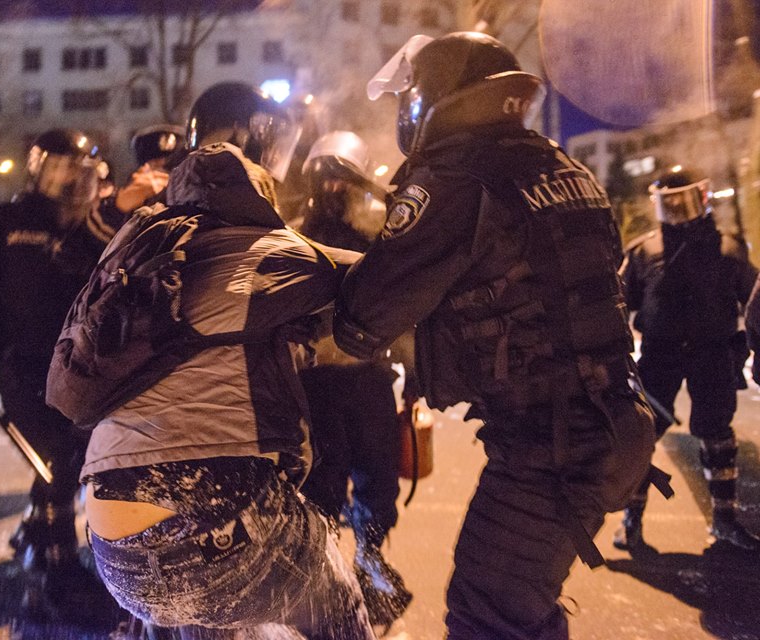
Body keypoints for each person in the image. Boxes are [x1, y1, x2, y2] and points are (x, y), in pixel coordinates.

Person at [333, 33, 657, 639]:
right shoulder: (559, 164)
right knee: (517, 610)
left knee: (488, 614)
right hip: (608, 421)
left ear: (432, 99)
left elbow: (363, 320)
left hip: (550, 447)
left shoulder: (456, 177)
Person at [79, 81, 376, 639]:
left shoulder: (138, 243)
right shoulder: (262, 250)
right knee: (334, 595)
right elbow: (374, 282)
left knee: (200, 607)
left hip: (108, 539)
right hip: (204, 515)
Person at [0, 128, 124, 601]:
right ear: (37, 168)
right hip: (24, 367)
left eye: (78, 173)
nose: (68, 183)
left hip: (87, 368)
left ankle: (38, 532)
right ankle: (55, 561)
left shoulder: (96, 228)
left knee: (76, 458)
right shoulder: (0, 224)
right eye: (59, 170)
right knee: (57, 459)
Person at [293, 131, 412, 630]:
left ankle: (370, 560)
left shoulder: (377, 241)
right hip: (316, 384)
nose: (334, 190)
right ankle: (323, 577)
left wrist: (417, 372)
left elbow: (401, 310)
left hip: (368, 381)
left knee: (377, 479)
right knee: (320, 482)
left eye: (343, 179)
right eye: (327, 179)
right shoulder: (292, 236)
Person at [619, 167, 760, 553]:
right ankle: (630, 521)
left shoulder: (729, 249)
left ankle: (726, 521)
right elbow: (618, 302)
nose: (678, 209)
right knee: (642, 436)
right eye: (670, 202)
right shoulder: (644, 251)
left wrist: (747, 346)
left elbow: (753, 301)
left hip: (713, 353)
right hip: (659, 355)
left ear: (702, 197)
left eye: (684, 200)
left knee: (717, 435)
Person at [113, 124, 186, 217]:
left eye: (167, 165)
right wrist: (121, 206)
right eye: (154, 164)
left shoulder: (185, 187)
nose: (160, 173)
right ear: (144, 168)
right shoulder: (134, 191)